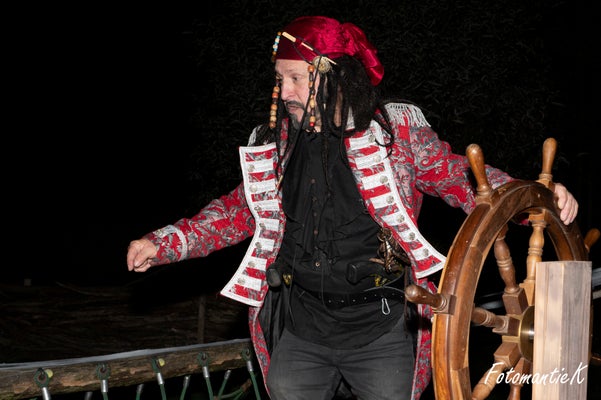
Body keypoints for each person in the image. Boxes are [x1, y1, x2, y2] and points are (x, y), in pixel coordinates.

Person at [126, 16, 579, 400]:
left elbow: (459, 177)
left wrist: (533, 197)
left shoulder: (394, 135)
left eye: (296, 78)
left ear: (334, 75)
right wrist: (162, 244)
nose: (285, 91)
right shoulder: (275, 146)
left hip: (382, 330)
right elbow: (235, 212)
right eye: (280, 79)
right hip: (302, 329)